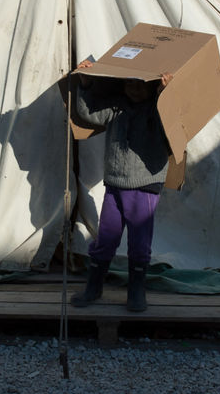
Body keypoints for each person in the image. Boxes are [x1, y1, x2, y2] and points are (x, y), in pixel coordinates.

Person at [69, 60, 172, 312]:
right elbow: (88, 113)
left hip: (144, 185)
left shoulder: (157, 109)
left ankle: (136, 292)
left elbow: (170, 127)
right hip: (115, 183)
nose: (134, 89)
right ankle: (94, 288)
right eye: (129, 83)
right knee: (106, 238)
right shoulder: (116, 107)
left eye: (140, 84)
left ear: (151, 86)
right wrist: (86, 84)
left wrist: (165, 95)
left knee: (139, 243)